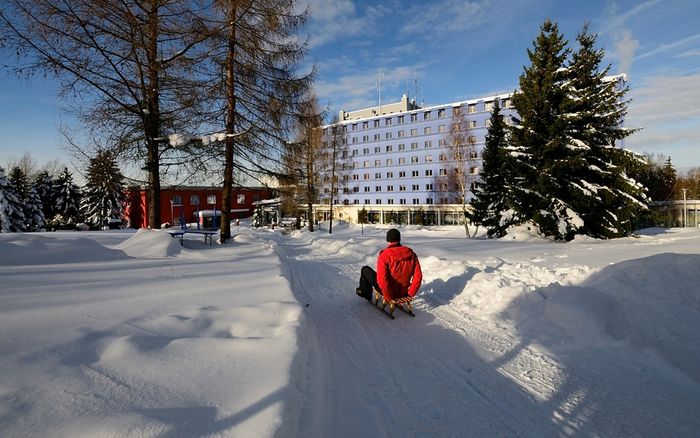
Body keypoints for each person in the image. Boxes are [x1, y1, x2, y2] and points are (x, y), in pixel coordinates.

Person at [356, 228, 422, 302]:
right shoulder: (412, 254)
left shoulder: (384, 255)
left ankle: (365, 292)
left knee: (365, 269)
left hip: (388, 292)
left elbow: (382, 280)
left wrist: (389, 296)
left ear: (388, 240)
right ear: (399, 239)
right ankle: (366, 292)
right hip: (403, 292)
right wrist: (410, 293)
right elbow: (418, 277)